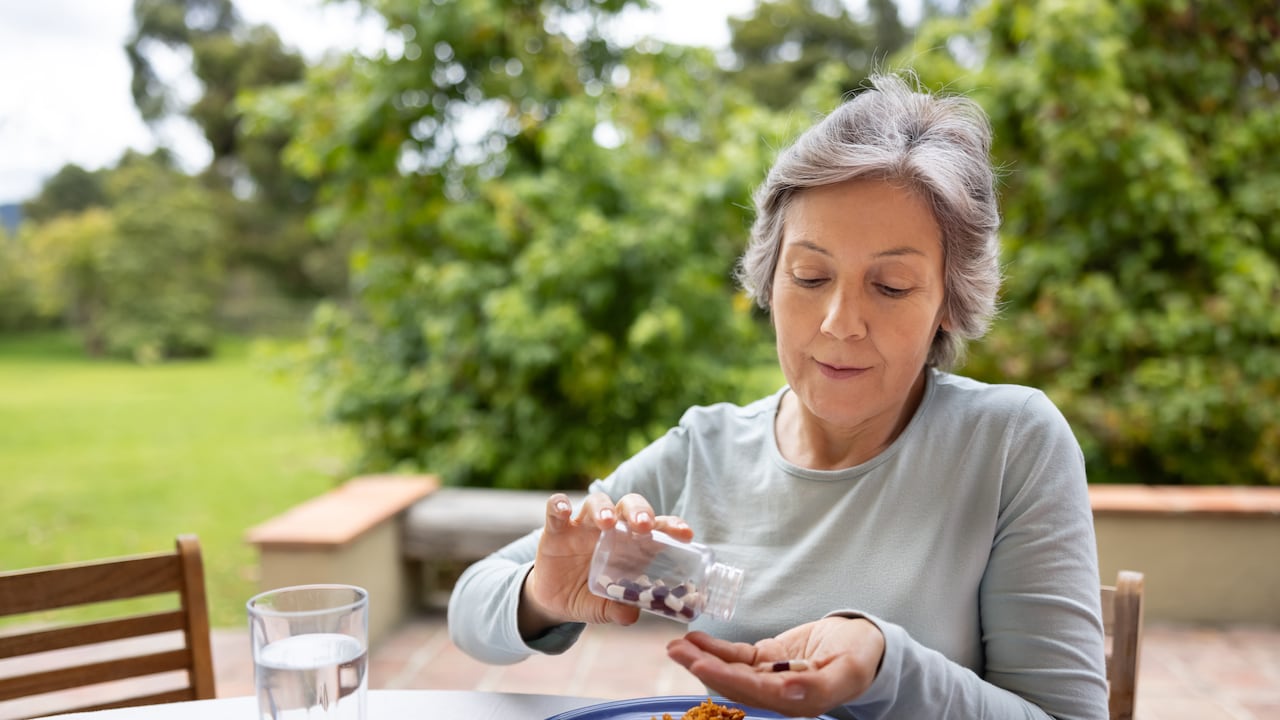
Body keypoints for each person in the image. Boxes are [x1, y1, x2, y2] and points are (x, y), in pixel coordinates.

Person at [448, 71, 1109, 719]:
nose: (839, 323)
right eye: (810, 275)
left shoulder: (1009, 445)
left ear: (948, 303)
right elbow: (470, 606)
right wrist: (544, 593)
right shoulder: (706, 452)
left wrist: (884, 667)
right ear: (770, 280)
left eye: (892, 287)